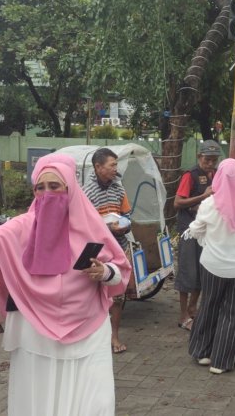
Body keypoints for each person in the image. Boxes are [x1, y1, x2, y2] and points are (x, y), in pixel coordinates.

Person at [0, 153, 131, 415]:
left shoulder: (90, 224)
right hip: (36, 330)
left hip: (88, 328)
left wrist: (104, 271)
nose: (48, 193)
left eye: (55, 186)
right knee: (38, 401)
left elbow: (120, 271)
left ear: (69, 188)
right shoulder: (23, 225)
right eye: (41, 187)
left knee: (94, 401)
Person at [184, 159, 235, 374]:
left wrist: (210, 241)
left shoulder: (209, 203)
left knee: (209, 305)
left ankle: (202, 352)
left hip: (212, 264)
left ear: (218, 176)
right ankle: (221, 361)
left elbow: (196, 229)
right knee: (234, 313)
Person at [82, 148, 132, 354]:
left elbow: (128, 215)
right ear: (98, 167)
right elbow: (83, 225)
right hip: (95, 251)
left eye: (116, 165)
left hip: (118, 248)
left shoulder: (119, 189)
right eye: (112, 165)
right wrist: (108, 229)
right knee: (92, 295)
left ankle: (114, 336)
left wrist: (125, 226)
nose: (115, 169)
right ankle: (92, 337)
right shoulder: (86, 193)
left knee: (118, 295)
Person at [174, 139, 222, 330]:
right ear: (199, 157)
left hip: (207, 230)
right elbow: (177, 203)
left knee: (203, 270)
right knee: (188, 271)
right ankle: (183, 315)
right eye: (207, 159)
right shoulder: (190, 175)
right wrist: (203, 196)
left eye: (214, 160)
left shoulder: (216, 175)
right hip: (189, 230)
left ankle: (194, 308)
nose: (210, 164)